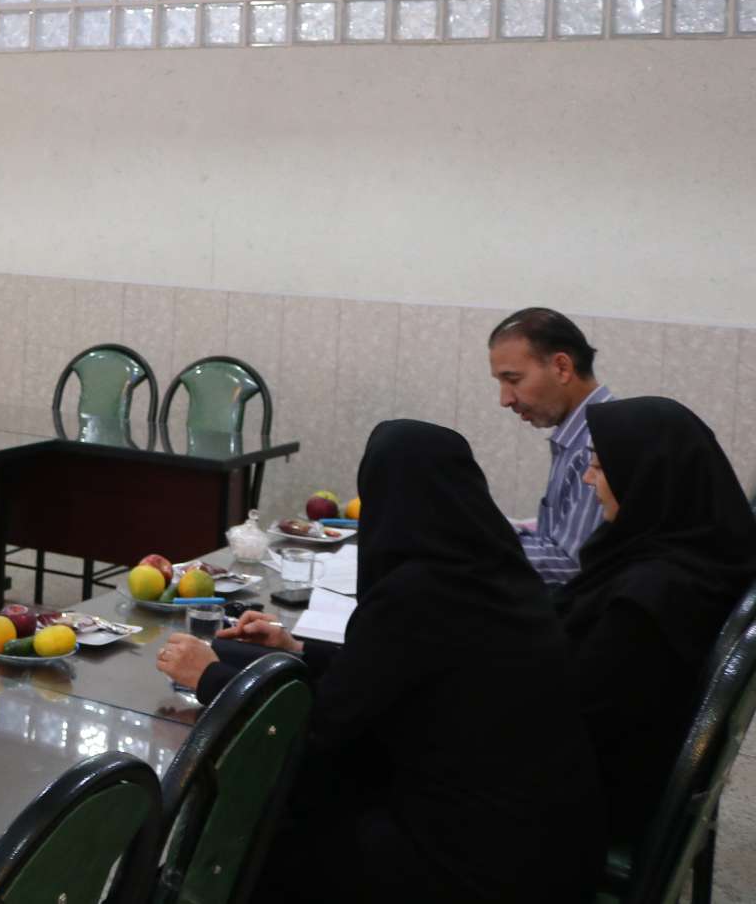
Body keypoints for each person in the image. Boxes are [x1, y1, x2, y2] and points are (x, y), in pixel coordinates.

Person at [156, 420, 602, 904]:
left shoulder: (417, 594)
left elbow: (318, 727)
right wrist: (297, 648)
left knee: (270, 819)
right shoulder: (502, 576)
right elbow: (393, 674)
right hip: (552, 847)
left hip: (473, 865)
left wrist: (209, 677)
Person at [559, 397, 756, 846]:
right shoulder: (695, 557)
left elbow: (573, 715)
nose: (588, 478)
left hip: (591, 804)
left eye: (599, 466)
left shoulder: (648, 600)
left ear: (646, 478)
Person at [489, 306, 613, 586]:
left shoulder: (597, 440)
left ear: (562, 367)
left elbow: (570, 564)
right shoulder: (577, 434)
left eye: (513, 380)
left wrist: (473, 541)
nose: (505, 399)